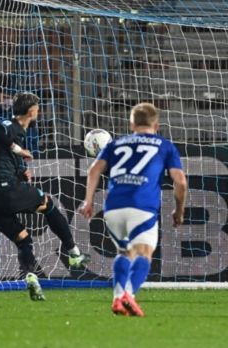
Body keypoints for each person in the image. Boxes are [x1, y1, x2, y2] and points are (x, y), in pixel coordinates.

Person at [0, 91, 90, 301]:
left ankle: (30, 277)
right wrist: (20, 150)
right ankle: (73, 253)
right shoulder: (9, 126)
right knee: (48, 204)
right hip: (2, 190)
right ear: (31, 111)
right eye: (37, 107)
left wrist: (21, 170)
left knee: (23, 239)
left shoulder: (16, 133)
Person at [78, 102, 187, 317]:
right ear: (157, 125)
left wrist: (88, 201)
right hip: (142, 206)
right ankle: (128, 294)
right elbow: (180, 182)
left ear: (131, 124)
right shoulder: (164, 145)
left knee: (124, 252)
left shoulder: (115, 144)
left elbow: (93, 170)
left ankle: (118, 298)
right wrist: (179, 210)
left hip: (112, 208)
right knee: (144, 253)